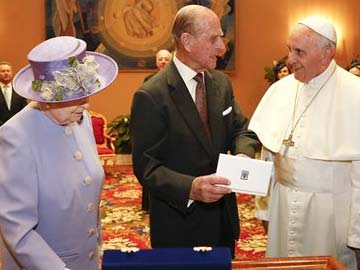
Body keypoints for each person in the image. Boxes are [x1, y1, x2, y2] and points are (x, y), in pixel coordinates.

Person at [130, 4, 260, 258]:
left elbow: (242, 130)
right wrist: (191, 187)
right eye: (214, 39)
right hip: (179, 225)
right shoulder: (151, 95)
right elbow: (146, 167)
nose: (222, 47)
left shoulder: (221, 83)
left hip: (223, 221)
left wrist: (243, 155)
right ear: (187, 41)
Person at [249, 16, 360, 269]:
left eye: (299, 52)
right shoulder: (280, 90)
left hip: (330, 217)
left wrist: (357, 237)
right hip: (282, 208)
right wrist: (265, 210)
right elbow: (268, 155)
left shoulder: (356, 94)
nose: (290, 59)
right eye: (290, 49)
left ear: (326, 53)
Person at [0, 36, 118, 270]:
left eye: (86, 94)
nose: (86, 105)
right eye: (74, 98)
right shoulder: (16, 136)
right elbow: (18, 229)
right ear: (45, 99)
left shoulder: (80, 121)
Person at [0, 61, 27, 126]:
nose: (6, 73)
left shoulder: (19, 91)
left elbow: (24, 111)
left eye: (8, 71)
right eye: (3, 71)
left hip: (17, 127)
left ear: (12, 73)